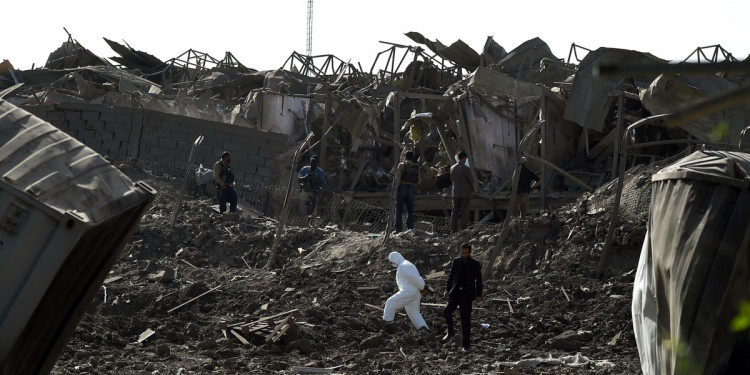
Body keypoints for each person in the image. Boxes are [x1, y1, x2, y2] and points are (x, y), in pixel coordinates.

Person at [443, 243, 483, 351]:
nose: (464, 255)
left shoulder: (475, 264)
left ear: (470, 253)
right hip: (455, 292)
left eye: (466, 253)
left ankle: (466, 345)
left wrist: (479, 295)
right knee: (447, 311)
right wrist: (447, 290)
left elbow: (479, 281)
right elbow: (450, 278)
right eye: (462, 252)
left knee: (465, 320)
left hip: (467, 295)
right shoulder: (456, 262)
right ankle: (451, 331)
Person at [383, 251, 430, 331]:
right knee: (414, 313)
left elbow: (415, 278)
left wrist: (423, 288)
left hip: (410, 291)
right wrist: (422, 289)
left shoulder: (405, 265)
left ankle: (387, 326)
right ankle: (425, 330)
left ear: (395, 259)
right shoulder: (403, 265)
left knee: (390, 302)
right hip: (413, 292)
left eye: (392, 262)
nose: (392, 264)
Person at [395, 151, 421, 233]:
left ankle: (398, 230)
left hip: (402, 187)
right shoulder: (416, 166)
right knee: (410, 210)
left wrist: (396, 190)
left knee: (399, 209)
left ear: (405, 157)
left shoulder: (401, 165)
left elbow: (398, 179)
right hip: (411, 188)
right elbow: (419, 181)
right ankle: (410, 229)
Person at [450, 151, 474, 232]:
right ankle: (464, 230)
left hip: (455, 193)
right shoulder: (466, 168)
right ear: (464, 158)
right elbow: (471, 180)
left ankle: (454, 230)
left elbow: (452, 179)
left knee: (454, 212)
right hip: (465, 194)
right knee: (465, 212)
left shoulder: (452, 168)